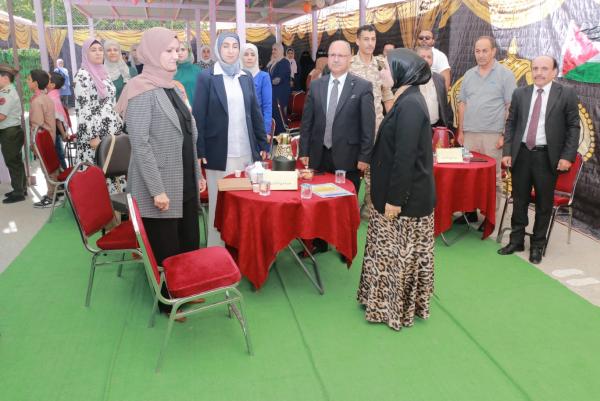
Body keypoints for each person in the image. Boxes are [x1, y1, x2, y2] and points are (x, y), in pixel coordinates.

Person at [117, 27, 206, 316]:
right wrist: (157, 190)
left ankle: (186, 290)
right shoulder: (140, 90)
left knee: (188, 241)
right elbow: (140, 145)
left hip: (184, 179)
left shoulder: (174, 87)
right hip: (160, 185)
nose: (175, 55)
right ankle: (169, 303)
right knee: (167, 249)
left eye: (177, 50)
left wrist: (197, 173)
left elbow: (189, 135)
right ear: (152, 53)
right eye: (168, 51)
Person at [357, 48, 435, 331]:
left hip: (404, 201)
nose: (382, 73)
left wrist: (394, 200)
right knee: (386, 254)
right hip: (395, 195)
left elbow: (405, 158)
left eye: (386, 69)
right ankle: (379, 301)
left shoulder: (411, 105)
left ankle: (393, 309)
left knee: (397, 257)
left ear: (402, 72)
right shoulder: (405, 98)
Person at [498, 56, 580, 264]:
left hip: (547, 157)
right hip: (521, 154)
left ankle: (537, 245)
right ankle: (516, 240)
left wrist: (567, 156)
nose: (539, 73)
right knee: (519, 200)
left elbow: (573, 127)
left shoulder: (566, 94)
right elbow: (511, 123)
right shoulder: (520, 93)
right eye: (535, 68)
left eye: (544, 68)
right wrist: (507, 151)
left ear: (554, 72)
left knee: (544, 204)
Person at [192, 32, 269, 247]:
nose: (231, 50)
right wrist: (200, 150)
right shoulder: (207, 77)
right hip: (219, 152)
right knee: (220, 203)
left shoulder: (245, 76)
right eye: (225, 46)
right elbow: (198, 116)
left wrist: (262, 143)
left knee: (245, 201)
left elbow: (255, 113)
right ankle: (217, 249)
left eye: (235, 46)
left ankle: (242, 246)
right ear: (218, 49)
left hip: (246, 151)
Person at [299, 40, 375, 255]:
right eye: (332, 55)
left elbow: (368, 127)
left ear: (350, 58)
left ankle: (345, 246)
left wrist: (365, 157)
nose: (336, 59)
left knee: (345, 207)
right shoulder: (317, 85)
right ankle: (319, 242)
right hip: (319, 156)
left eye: (341, 55)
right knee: (319, 203)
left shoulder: (362, 87)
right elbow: (307, 122)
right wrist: (304, 151)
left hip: (349, 158)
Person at [456, 36, 516, 223]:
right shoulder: (469, 74)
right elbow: (462, 104)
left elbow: (511, 106)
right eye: (477, 51)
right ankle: (469, 212)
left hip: (493, 136)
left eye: (485, 51)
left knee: (492, 178)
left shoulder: (505, 75)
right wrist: (461, 131)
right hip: (469, 134)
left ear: (493, 51)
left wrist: (504, 135)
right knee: (468, 175)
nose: (480, 55)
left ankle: (489, 217)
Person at [350, 24, 395, 219]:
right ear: (357, 40)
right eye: (366, 39)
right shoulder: (349, 64)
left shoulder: (381, 64)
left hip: (377, 126)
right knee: (352, 170)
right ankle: (349, 210)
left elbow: (387, 96)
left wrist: (393, 122)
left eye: (373, 39)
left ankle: (370, 209)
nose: (370, 43)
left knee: (374, 171)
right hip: (353, 128)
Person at [74, 38, 125, 194]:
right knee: (97, 173)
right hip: (95, 135)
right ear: (85, 53)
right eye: (93, 50)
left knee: (113, 169)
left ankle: (115, 204)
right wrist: (92, 137)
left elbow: (111, 102)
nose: (98, 53)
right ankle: (99, 206)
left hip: (110, 132)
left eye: (100, 50)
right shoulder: (82, 76)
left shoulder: (103, 73)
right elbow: (83, 109)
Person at [28, 69, 59, 208]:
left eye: (29, 80)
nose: (27, 82)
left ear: (35, 83)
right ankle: (55, 193)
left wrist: (34, 144)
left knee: (47, 168)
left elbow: (37, 126)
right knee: (51, 167)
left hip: (43, 140)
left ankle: (52, 196)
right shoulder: (46, 98)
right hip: (49, 137)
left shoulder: (37, 101)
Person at [0, 65, 27, 204]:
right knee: (16, 161)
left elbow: (1, 116)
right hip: (11, 131)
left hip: (9, 132)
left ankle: (18, 193)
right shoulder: (7, 91)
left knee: (12, 162)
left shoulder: (7, 93)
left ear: (5, 78)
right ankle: (21, 187)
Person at [415, 45, 454, 129]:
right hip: (416, 126)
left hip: (435, 126)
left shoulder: (440, 79)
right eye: (422, 57)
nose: (426, 59)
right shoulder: (410, 79)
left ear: (432, 60)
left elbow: (443, 104)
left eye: (429, 57)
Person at [243, 43, 272, 139]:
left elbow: (267, 106)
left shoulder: (264, 77)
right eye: (246, 54)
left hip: (258, 127)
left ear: (257, 57)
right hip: (240, 127)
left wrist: (266, 131)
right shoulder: (237, 76)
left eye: (253, 54)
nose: (249, 58)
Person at [267, 42, 291, 134]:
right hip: (273, 94)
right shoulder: (272, 63)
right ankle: (274, 135)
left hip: (281, 95)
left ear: (281, 50)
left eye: (275, 49)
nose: (273, 51)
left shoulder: (284, 62)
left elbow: (278, 80)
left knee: (280, 116)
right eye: (272, 49)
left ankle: (282, 136)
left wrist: (266, 82)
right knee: (273, 115)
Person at [47, 72, 69, 169]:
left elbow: (57, 119)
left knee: (59, 154)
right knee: (59, 153)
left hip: (55, 130)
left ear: (52, 85)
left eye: (47, 78)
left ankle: (65, 173)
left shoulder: (51, 97)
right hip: (56, 130)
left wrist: (64, 134)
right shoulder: (54, 94)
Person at [174, 41, 202, 107]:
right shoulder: (171, 71)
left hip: (197, 108)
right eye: (177, 50)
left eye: (183, 49)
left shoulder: (197, 70)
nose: (180, 53)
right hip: (179, 109)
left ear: (189, 51)